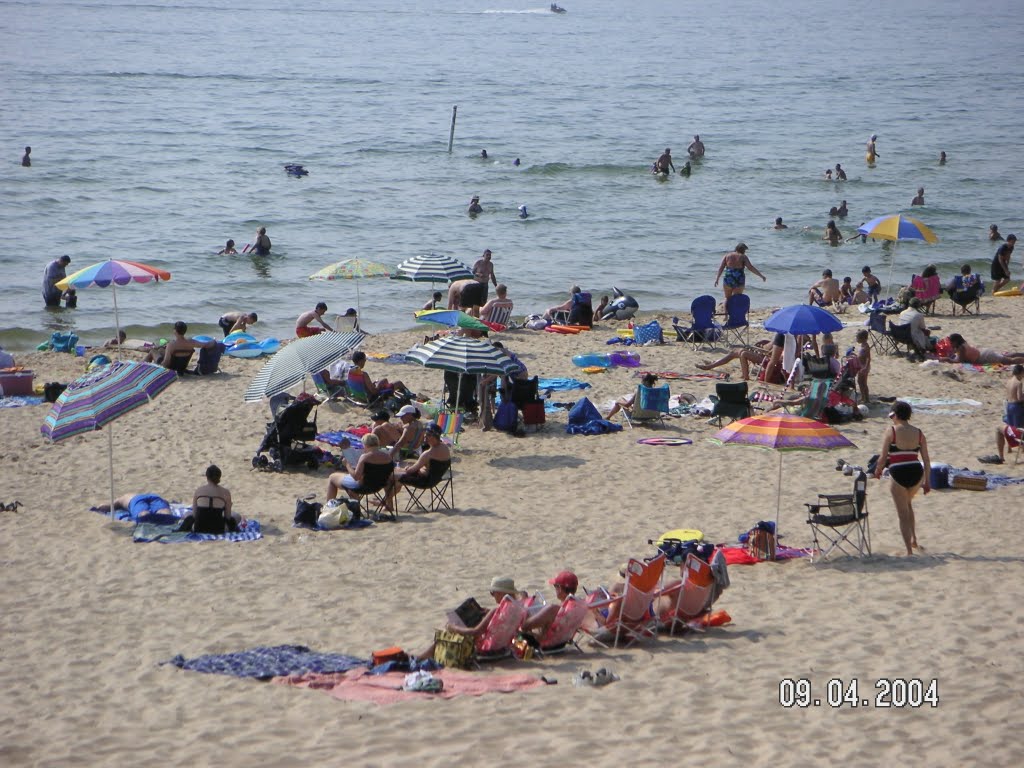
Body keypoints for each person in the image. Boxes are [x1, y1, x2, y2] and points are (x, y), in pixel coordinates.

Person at [415, 576, 522, 661]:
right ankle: (424, 656)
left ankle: (421, 657)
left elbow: (475, 632)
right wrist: (489, 614)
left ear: (500, 593)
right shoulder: (517, 610)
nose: (492, 596)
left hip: (486, 648)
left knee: (447, 633)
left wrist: (454, 627)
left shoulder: (496, 611)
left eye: (492, 593)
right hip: (502, 647)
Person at [873, 401, 930, 556]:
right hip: (916, 472)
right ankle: (914, 539)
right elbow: (926, 460)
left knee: (902, 514)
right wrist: (927, 482)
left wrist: (877, 471)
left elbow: (883, 457)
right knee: (908, 504)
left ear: (895, 415)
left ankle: (909, 551)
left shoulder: (891, 431)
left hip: (898, 472)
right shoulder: (918, 432)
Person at [389, 422, 451, 505]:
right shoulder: (445, 448)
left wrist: (405, 469)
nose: (425, 436)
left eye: (428, 435)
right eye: (425, 434)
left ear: (434, 437)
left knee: (392, 476)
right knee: (398, 475)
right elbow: (430, 468)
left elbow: (411, 471)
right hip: (436, 479)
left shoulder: (428, 454)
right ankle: (387, 502)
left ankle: (386, 502)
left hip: (425, 481)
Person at [325, 433, 395, 506]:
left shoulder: (365, 457)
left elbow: (356, 477)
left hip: (362, 487)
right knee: (350, 483)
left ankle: (329, 507)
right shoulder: (388, 457)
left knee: (332, 477)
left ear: (365, 445)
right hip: (379, 486)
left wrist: (347, 465)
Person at [520, 571, 579, 643]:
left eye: (555, 586)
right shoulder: (579, 606)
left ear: (559, 588)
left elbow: (525, 626)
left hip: (544, 643)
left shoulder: (553, 609)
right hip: (562, 641)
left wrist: (525, 604)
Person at [989, 365, 1024, 464]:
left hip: (1008, 405)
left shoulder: (1009, 381)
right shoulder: (1018, 382)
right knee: (1018, 427)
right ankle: (1021, 447)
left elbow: (1010, 395)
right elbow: (1019, 398)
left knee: (1010, 425)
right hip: (1016, 407)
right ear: (1021, 373)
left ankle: (1008, 449)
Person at [144, 321, 215, 369]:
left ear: (175, 331)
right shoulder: (192, 342)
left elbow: (165, 364)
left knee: (152, 351)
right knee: (161, 350)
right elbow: (207, 345)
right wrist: (214, 342)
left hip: (170, 368)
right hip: (181, 368)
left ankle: (142, 367)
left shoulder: (171, 345)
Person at [697, 340, 774, 381]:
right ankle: (712, 364)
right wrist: (764, 342)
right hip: (763, 354)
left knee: (742, 352)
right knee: (734, 352)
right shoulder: (781, 334)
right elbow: (769, 346)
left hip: (766, 358)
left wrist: (763, 348)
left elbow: (771, 351)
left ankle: (745, 376)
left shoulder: (781, 336)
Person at [946, 333, 1024, 365]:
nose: (951, 344)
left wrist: (947, 359)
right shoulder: (963, 343)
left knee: (1009, 361)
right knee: (1006, 356)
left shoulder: (961, 348)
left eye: (951, 342)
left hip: (985, 357)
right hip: (984, 352)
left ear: (955, 341)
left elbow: (959, 361)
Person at [95, 493, 171, 519]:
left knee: (144, 515)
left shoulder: (122, 498)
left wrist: (100, 508)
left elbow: (109, 506)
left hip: (134, 500)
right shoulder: (124, 497)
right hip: (155, 496)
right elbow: (166, 502)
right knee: (165, 513)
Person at [855, 329, 871, 404]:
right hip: (861, 366)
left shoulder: (866, 346)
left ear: (863, 338)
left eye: (857, 338)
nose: (856, 339)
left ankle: (866, 398)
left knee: (863, 382)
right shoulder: (862, 345)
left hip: (864, 366)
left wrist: (865, 367)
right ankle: (863, 397)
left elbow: (868, 358)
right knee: (860, 382)